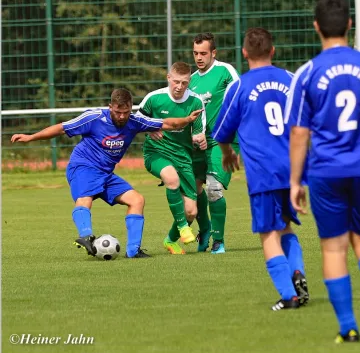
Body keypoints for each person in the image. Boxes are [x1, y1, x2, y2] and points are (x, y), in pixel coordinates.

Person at [284, 0, 360, 342]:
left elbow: (298, 133)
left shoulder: (308, 72)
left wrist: (295, 181)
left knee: (334, 248)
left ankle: (348, 328)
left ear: (316, 27)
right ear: (350, 25)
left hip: (326, 172)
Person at [11, 88, 202, 258]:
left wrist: (187, 120)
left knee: (137, 200)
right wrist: (31, 137)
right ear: (110, 107)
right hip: (83, 166)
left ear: (130, 108)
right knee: (85, 197)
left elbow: (167, 123)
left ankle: (133, 251)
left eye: (125, 112)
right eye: (118, 112)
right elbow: (62, 128)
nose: (121, 116)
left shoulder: (135, 121)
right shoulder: (93, 118)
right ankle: (86, 236)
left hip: (105, 173)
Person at [212, 27, 309, 310]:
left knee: (268, 233)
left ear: (244, 53)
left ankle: (289, 295)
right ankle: (298, 273)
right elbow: (305, 123)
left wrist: (228, 154)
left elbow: (222, 131)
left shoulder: (239, 86)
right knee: (287, 227)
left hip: (263, 173)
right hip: (292, 168)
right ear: (272, 50)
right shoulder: (291, 80)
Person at [139, 62, 207, 255]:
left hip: (183, 157)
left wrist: (200, 139)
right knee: (171, 178)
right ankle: (184, 229)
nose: (179, 86)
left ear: (189, 82)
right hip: (156, 152)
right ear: (168, 77)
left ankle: (170, 240)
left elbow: (198, 133)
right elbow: (136, 122)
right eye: (176, 81)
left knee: (191, 212)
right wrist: (149, 128)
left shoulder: (196, 102)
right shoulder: (154, 98)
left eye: (184, 83)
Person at [189, 32, 240, 254]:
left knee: (213, 189)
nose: (199, 58)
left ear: (213, 53)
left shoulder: (225, 72)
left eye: (203, 53)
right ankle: (206, 230)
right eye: (195, 53)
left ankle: (219, 241)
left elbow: (241, 95)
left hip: (223, 142)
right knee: (195, 189)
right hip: (199, 144)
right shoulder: (190, 80)